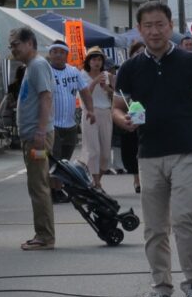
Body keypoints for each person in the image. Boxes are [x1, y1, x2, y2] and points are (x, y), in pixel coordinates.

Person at [113, 1, 192, 297]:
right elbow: (117, 108)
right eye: (147, 25)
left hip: (187, 151)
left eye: (160, 24)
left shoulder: (190, 62)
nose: (154, 31)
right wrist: (123, 121)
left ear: (170, 25)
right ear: (139, 29)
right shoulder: (130, 68)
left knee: (185, 219)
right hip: (149, 155)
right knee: (155, 228)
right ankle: (161, 288)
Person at [9, 27, 56, 251]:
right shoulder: (30, 67)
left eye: (16, 44)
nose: (13, 49)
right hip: (33, 135)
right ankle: (42, 234)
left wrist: (39, 131)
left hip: (38, 136)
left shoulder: (37, 65)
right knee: (36, 185)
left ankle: (45, 236)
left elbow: (46, 97)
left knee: (39, 186)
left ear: (29, 43)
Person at [47, 39, 95, 202]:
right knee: (55, 159)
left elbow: (85, 92)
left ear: (67, 55)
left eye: (62, 52)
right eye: (55, 52)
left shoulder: (74, 72)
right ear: (50, 54)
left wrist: (90, 110)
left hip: (69, 124)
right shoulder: (46, 71)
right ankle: (54, 191)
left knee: (65, 161)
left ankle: (58, 188)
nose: (58, 55)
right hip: (51, 124)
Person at [80, 46, 114, 190]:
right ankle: (96, 183)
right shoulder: (82, 75)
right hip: (89, 112)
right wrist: (94, 82)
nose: (97, 62)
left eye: (99, 59)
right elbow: (84, 93)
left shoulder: (107, 75)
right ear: (88, 61)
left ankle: (96, 180)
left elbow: (115, 96)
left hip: (105, 113)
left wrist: (107, 88)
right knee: (93, 150)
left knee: (105, 153)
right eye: (94, 59)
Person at [120, 41, 146, 193]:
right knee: (135, 146)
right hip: (133, 110)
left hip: (150, 112)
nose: (140, 55)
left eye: (143, 52)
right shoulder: (127, 70)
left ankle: (144, 179)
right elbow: (118, 99)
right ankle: (137, 180)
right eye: (137, 53)